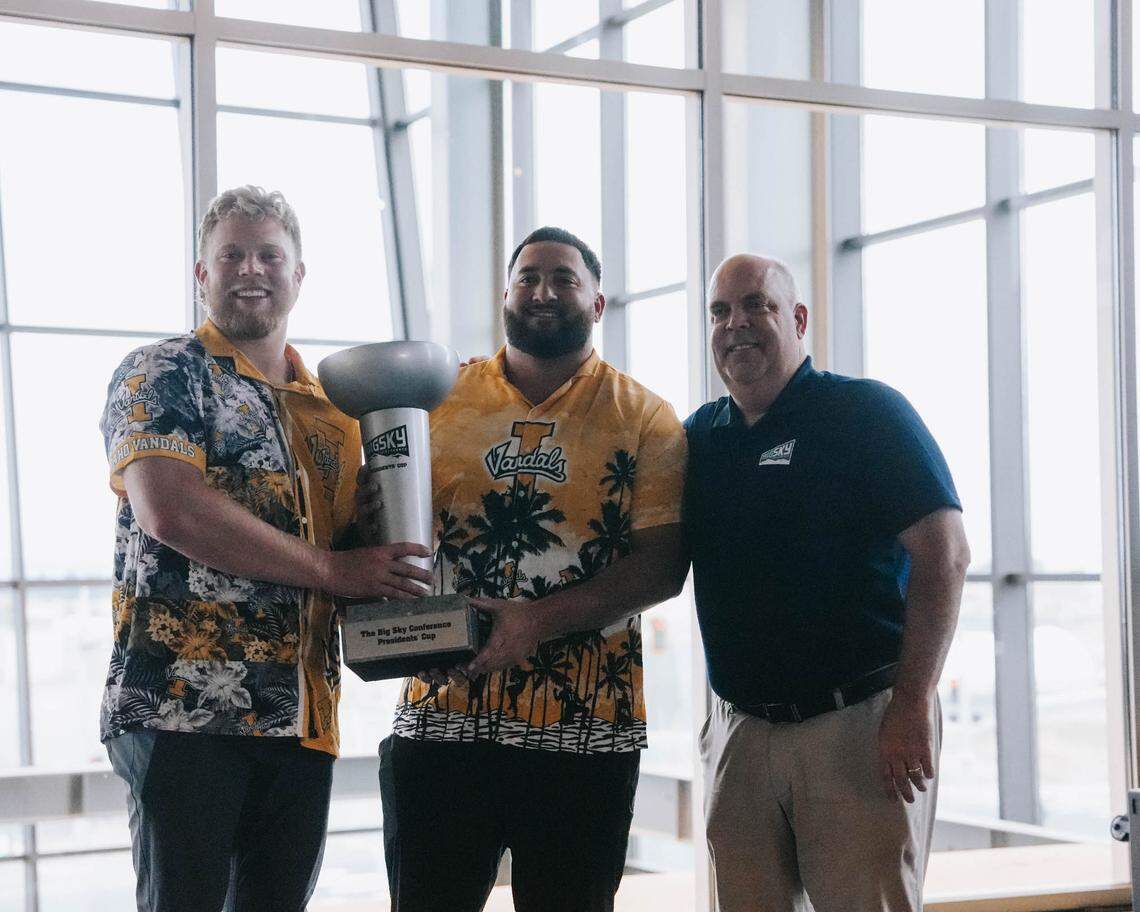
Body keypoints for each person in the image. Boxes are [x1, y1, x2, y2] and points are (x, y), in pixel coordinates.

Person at [99, 185, 433, 912]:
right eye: (232, 255)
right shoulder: (162, 372)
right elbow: (171, 509)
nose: (251, 269)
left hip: (301, 718)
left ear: (299, 274)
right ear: (202, 274)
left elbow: (356, 561)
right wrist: (334, 566)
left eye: (269, 255)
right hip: (182, 713)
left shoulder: (333, 412)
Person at [364, 226, 688, 912]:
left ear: (599, 302)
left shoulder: (647, 419)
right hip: (441, 719)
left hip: (586, 733)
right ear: (505, 294)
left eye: (564, 279)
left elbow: (660, 567)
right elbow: (393, 534)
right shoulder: (436, 400)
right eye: (528, 277)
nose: (543, 291)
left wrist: (533, 623)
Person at [684, 254, 970, 912]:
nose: (737, 324)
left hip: (859, 731)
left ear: (799, 318)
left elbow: (945, 555)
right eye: (720, 311)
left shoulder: (864, 413)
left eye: (757, 304)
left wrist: (911, 707)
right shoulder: (701, 438)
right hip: (742, 735)